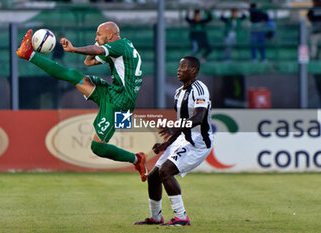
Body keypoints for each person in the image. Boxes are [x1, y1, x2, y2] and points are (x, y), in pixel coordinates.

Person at [16, 21, 148, 181]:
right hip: (114, 93)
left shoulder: (120, 46)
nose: (96, 37)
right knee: (73, 75)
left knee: (97, 147)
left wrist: (73, 49)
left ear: (110, 35)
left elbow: (97, 50)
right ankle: (29, 54)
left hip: (121, 103)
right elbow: (89, 62)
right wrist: (97, 43)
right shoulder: (121, 47)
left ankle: (137, 159)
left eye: (99, 34)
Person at [134, 56, 213, 226]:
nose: (178, 69)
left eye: (183, 66)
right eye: (179, 66)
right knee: (154, 176)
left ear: (193, 70)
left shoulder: (200, 89)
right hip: (183, 139)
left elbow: (199, 117)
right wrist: (166, 144)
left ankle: (181, 218)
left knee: (166, 171)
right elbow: (181, 125)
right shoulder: (179, 92)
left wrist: (174, 129)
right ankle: (156, 218)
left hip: (198, 142)